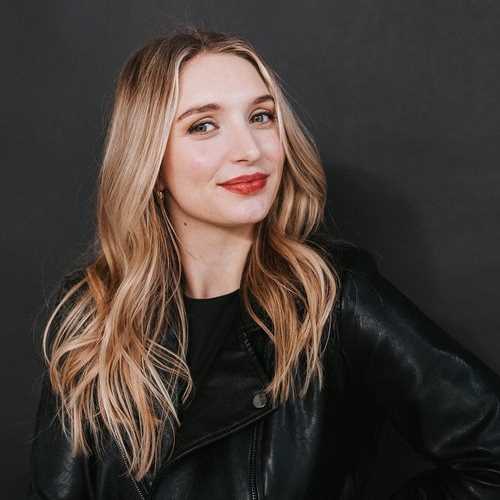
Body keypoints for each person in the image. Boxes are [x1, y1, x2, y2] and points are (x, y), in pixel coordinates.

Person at [28, 26, 500, 500]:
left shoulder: (332, 298)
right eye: (203, 125)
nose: (250, 150)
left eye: (261, 116)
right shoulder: (93, 316)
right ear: (150, 162)